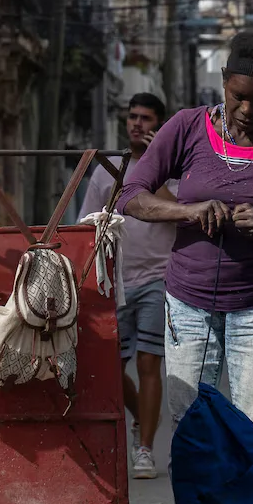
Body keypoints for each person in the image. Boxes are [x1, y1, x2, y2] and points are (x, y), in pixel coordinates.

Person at [117, 29, 253, 457]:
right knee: (192, 429)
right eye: (238, 96)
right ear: (225, 80)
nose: (246, 110)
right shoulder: (186, 128)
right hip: (187, 305)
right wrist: (188, 211)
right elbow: (131, 196)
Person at [79, 92, 179, 480]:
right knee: (108, 366)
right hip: (116, 279)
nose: (137, 124)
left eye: (146, 118)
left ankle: (144, 448)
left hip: (159, 277)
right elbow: (89, 223)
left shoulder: (173, 169)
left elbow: (183, 212)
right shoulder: (108, 170)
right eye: (133, 117)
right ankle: (142, 416)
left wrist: (160, 163)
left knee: (148, 362)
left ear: (160, 124)